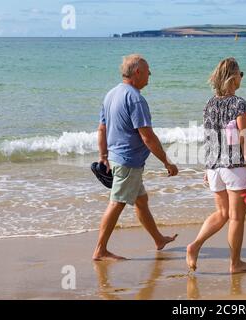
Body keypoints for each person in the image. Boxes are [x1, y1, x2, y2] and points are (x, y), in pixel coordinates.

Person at [93, 54, 178, 261]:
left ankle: (158, 239)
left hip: (118, 158)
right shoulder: (135, 98)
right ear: (137, 72)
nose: (150, 74)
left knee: (141, 201)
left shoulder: (111, 94)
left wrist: (104, 156)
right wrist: (167, 161)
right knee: (117, 203)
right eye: (148, 71)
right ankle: (100, 250)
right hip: (128, 161)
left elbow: (102, 129)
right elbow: (147, 136)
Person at [186, 57, 246, 274]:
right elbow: (244, 138)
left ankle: (194, 246)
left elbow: (209, 138)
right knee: (237, 217)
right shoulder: (239, 103)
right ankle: (235, 264)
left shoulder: (209, 104)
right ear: (232, 77)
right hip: (234, 167)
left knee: (222, 213)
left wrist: (207, 168)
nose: (242, 77)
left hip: (214, 168)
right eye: (241, 73)